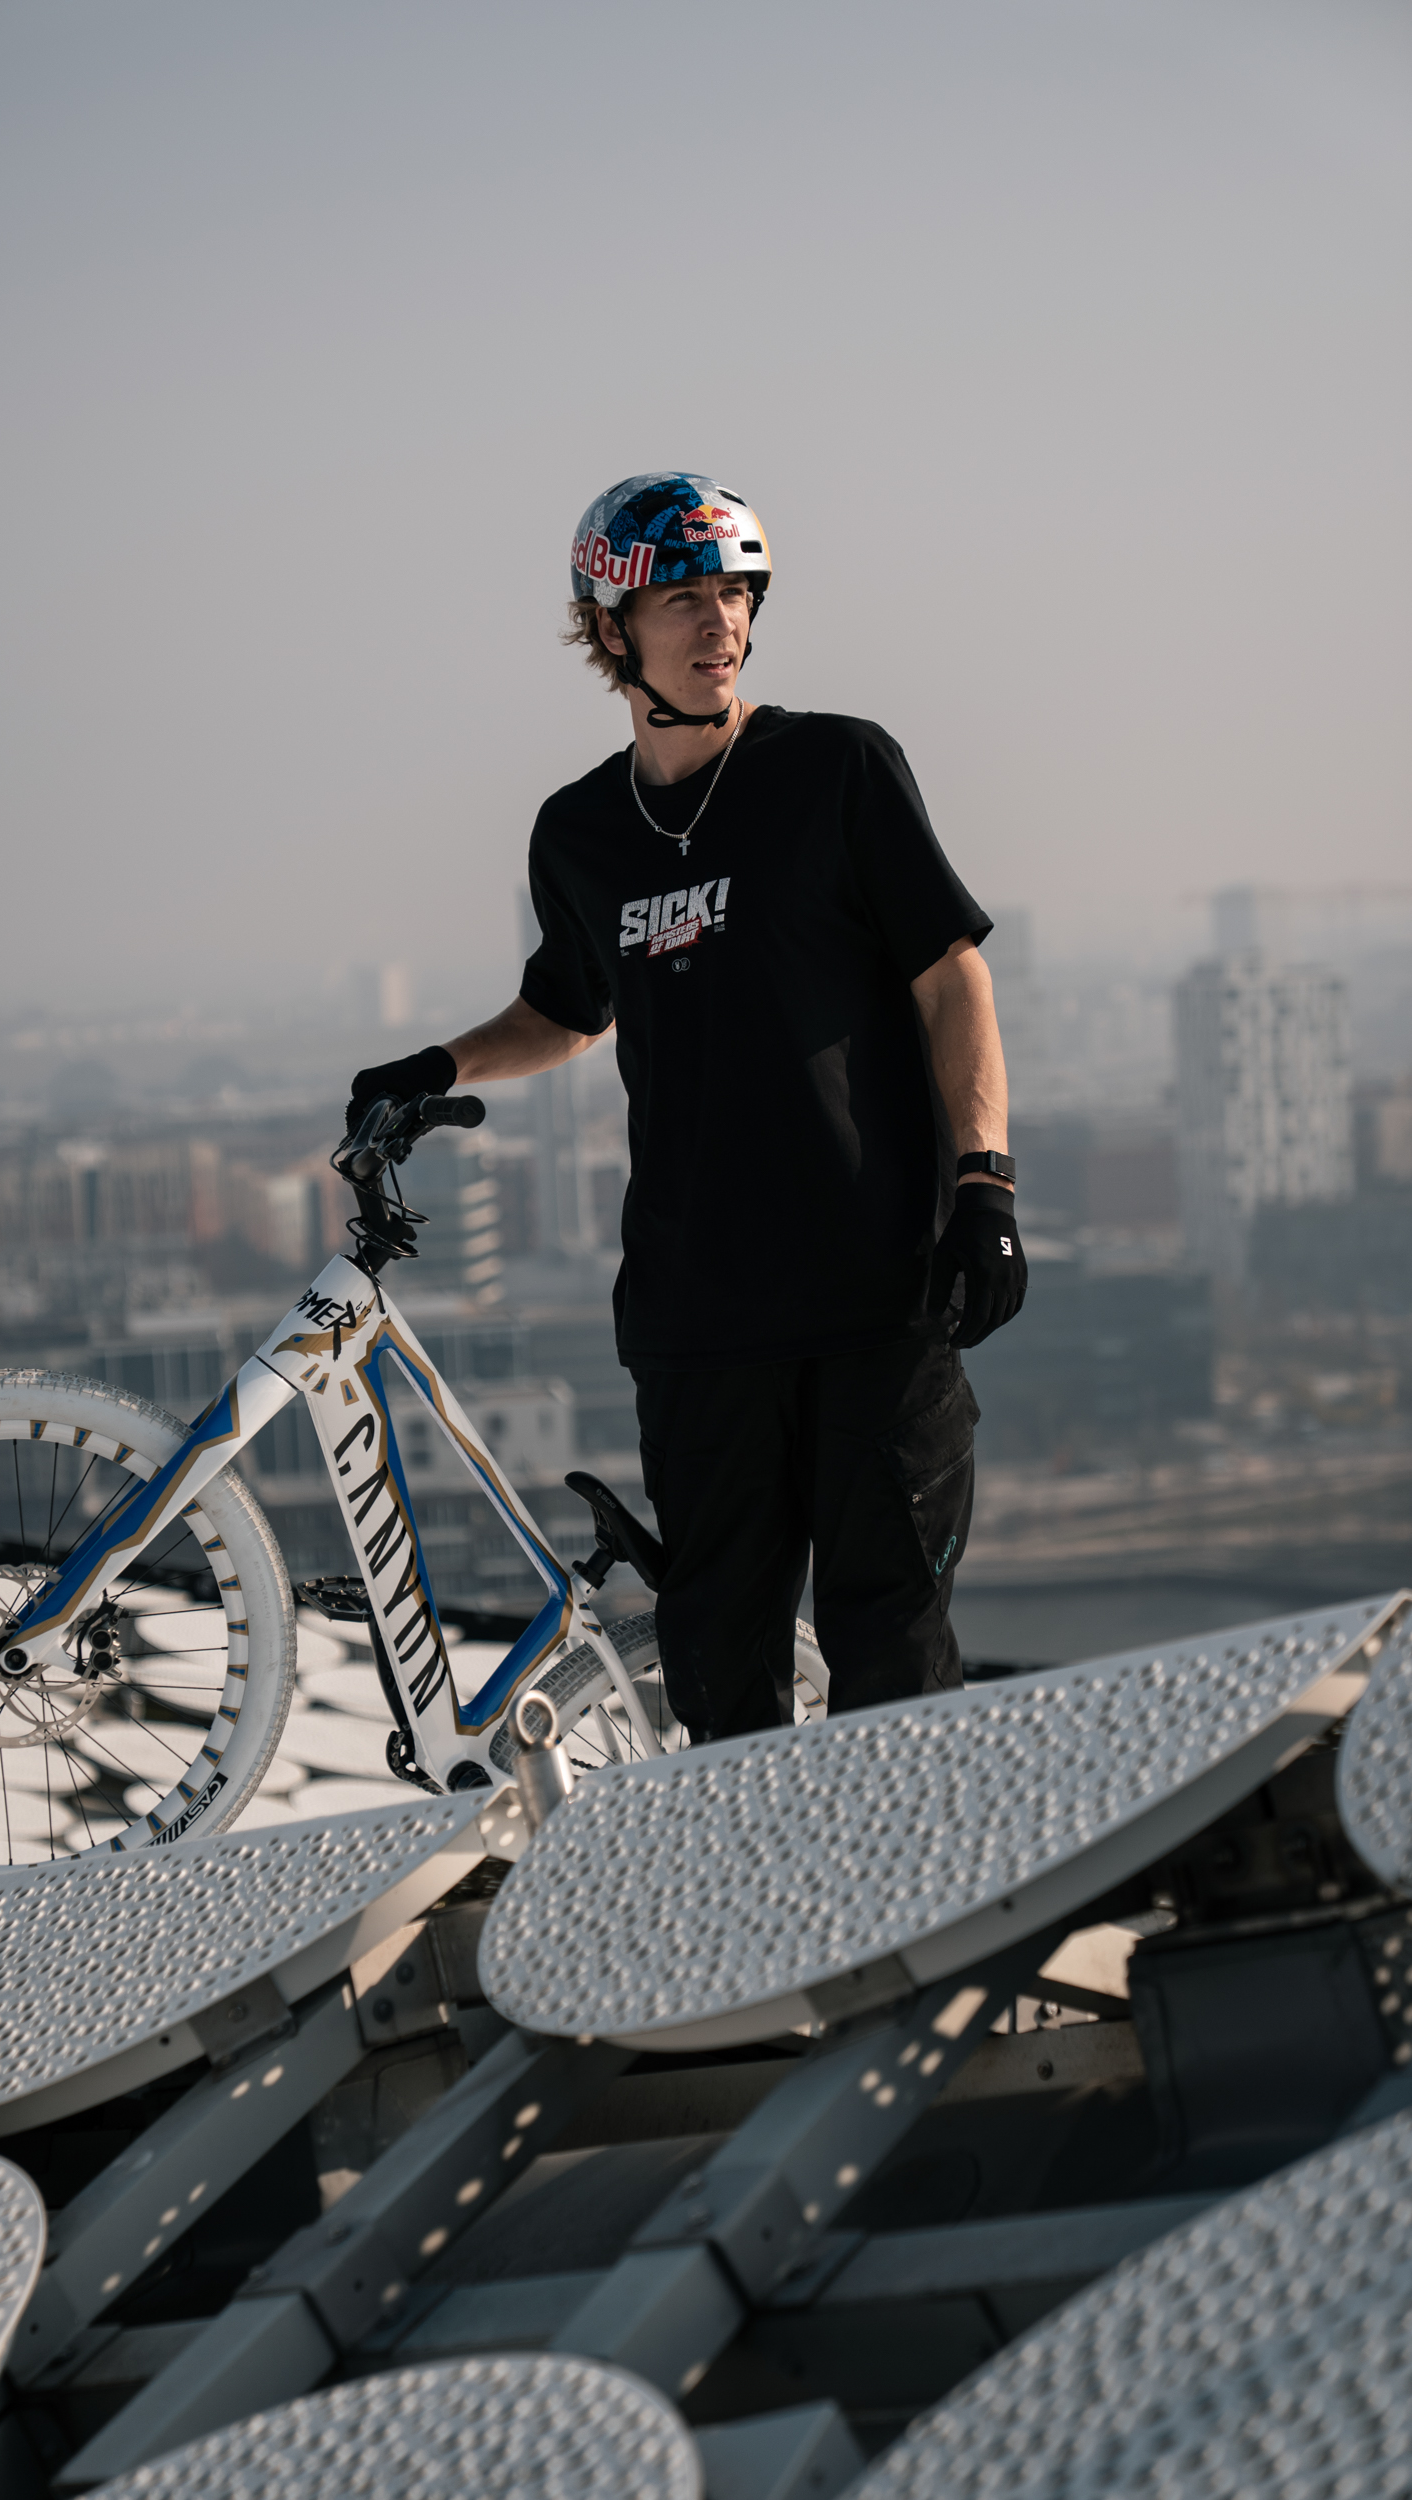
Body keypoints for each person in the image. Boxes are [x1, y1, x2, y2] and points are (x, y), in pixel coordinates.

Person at [347, 472, 1026, 1743]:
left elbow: (952, 974)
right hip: (696, 1312)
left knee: (892, 1658)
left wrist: (983, 1183)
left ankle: (908, 1926)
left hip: (878, 1293)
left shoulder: (835, 767)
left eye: (734, 595)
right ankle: (755, 1932)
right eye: (683, 600)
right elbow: (565, 1008)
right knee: (722, 1674)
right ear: (610, 630)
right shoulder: (578, 831)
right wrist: (432, 1068)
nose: (719, 626)